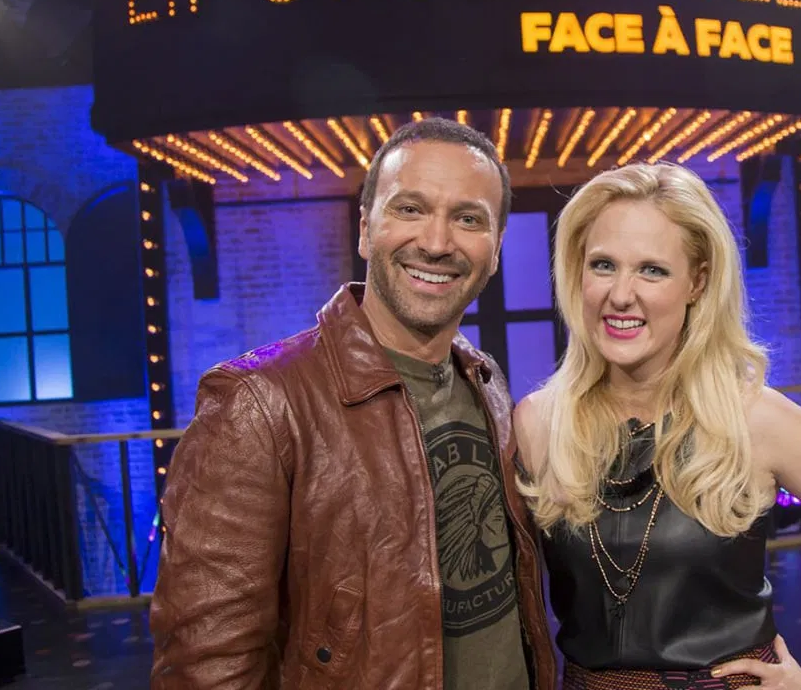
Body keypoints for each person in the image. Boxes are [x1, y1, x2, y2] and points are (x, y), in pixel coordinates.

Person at [149, 118, 557, 690]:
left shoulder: (483, 377)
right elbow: (206, 665)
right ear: (366, 229)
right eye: (410, 209)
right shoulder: (258, 404)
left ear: (495, 249)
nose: (437, 243)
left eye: (469, 219)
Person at [513, 162, 801, 690]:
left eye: (652, 270)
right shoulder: (539, 424)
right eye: (603, 265)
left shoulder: (752, 419)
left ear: (697, 282)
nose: (621, 294)